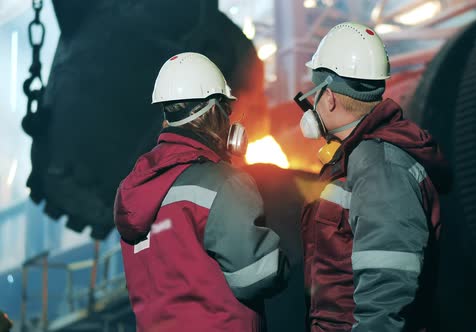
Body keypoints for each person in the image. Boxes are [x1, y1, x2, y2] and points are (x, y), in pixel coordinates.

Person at [114, 52, 289, 332]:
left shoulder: (134, 190)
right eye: (226, 110)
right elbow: (257, 276)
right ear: (213, 110)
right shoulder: (223, 182)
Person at [295, 23, 452, 331]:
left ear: (328, 98)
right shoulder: (357, 159)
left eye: (314, 93)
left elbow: (387, 284)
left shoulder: (378, 165)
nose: (311, 104)